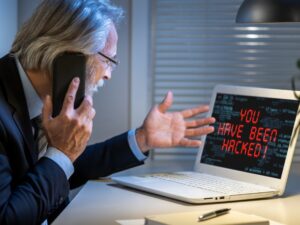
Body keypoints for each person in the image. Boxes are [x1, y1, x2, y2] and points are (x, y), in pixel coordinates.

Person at [0, 0, 215, 224]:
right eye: (108, 60)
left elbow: (58, 170)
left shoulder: (31, 95)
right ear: (70, 54)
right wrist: (62, 152)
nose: (108, 75)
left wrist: (142, 139)